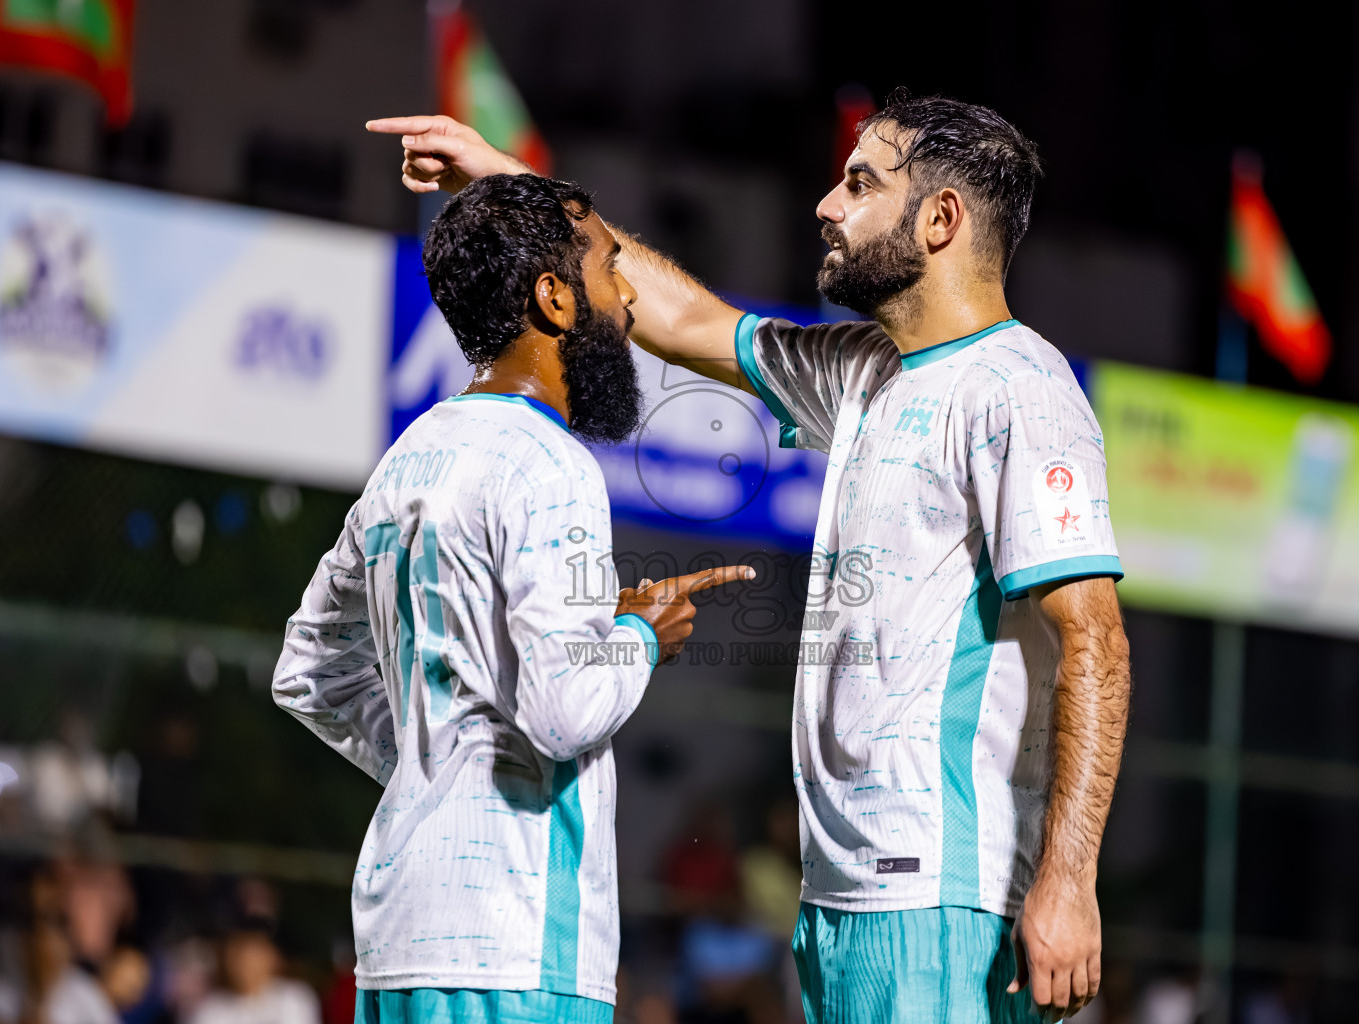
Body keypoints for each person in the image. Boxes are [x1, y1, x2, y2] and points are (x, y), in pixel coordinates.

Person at [371, 88, 1132, 1024]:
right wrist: (514, 187)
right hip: (841, 897)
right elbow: (682, 318)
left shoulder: (1022, 388)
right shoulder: (862, 371)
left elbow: (1094, 635)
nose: (827, 205)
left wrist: (1069, 879)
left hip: (941, 891)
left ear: (941, 219)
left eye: (861, 183)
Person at [274, 172, 754, 1024]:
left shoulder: (411, 454)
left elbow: (308, 672)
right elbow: (566, 710)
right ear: (555, 297)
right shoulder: (550, 463)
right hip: (514, 943)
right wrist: (639, 635)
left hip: (397, 943)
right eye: (610, 268)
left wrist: (439, 765)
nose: (629, 297)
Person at [185, 920, 318, 1024]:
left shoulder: (295, 998)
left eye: (252, 955)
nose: (245, 964)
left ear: (273, 957)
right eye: (237, 955)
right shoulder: (209, 1010)